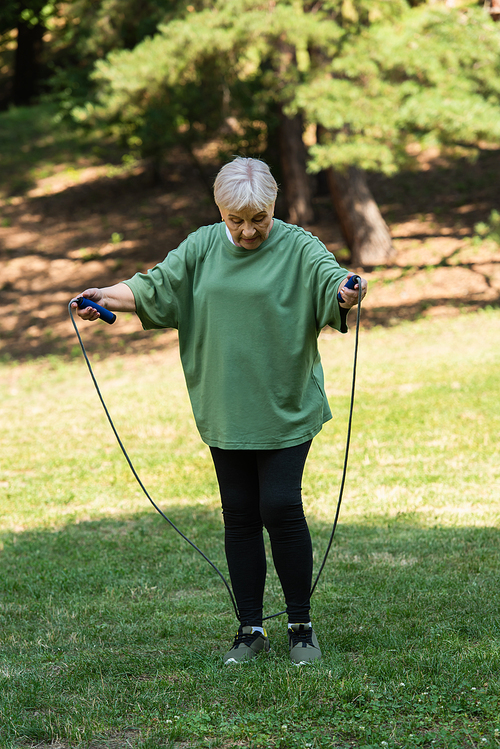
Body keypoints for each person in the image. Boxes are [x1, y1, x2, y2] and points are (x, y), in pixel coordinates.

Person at [72, 156, 367, 666]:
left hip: (285, 403)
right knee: (238, 515)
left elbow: (333, 283)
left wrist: (347, 292)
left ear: (273, 207)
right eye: (237, 220)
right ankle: (250, 629)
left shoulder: (299, 246)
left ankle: (301, 626)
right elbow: (154, 286)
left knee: (279, 505)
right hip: (224, 405)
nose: (249, 230)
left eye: (260, 219)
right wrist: (105, 294)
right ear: (220, 211)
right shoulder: (203, 246)